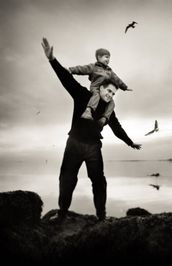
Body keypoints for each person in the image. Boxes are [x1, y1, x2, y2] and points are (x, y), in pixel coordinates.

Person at [41, 38, 142, 222]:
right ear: (100, 86)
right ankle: (62, 213)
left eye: (113, 93)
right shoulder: (83, 95)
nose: (109, 95)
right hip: (74, 145)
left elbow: (117, 128)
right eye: (108, 91)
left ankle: (101, 217)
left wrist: (130, 142)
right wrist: (52, 60)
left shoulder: (108, 109)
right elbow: (67, 79)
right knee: (67, 179)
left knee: (99, 181)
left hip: (93, 148)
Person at [68, 47, 132, 127]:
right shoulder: (94, 67)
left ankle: (104, 118)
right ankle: (88, 111)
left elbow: (117, 79)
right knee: (96, 95)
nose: (108, 60)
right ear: (99, 57)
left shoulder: (109, 71)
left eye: (109, 58)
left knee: (112, 103)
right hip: (96, 88)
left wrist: (124, 87)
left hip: (105, 90)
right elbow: (82, 69)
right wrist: (71, 70)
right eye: (106, 57)